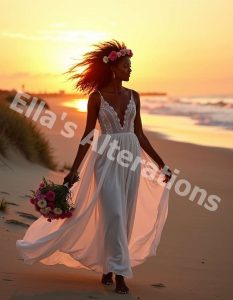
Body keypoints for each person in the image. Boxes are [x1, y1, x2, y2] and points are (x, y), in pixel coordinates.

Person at [16, 39, 172, 295]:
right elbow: (88, 135)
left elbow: (140, 134)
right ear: (113, 68)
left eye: (130, 65)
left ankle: (109, 266)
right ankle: (121, 274)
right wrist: (73, 170)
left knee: (126, 214)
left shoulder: (134, 96)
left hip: (131, 159)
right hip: (106, 161)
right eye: (126, 65)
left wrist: (162, 165)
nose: (131, 70)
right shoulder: (96, 98)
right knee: (114, 214)